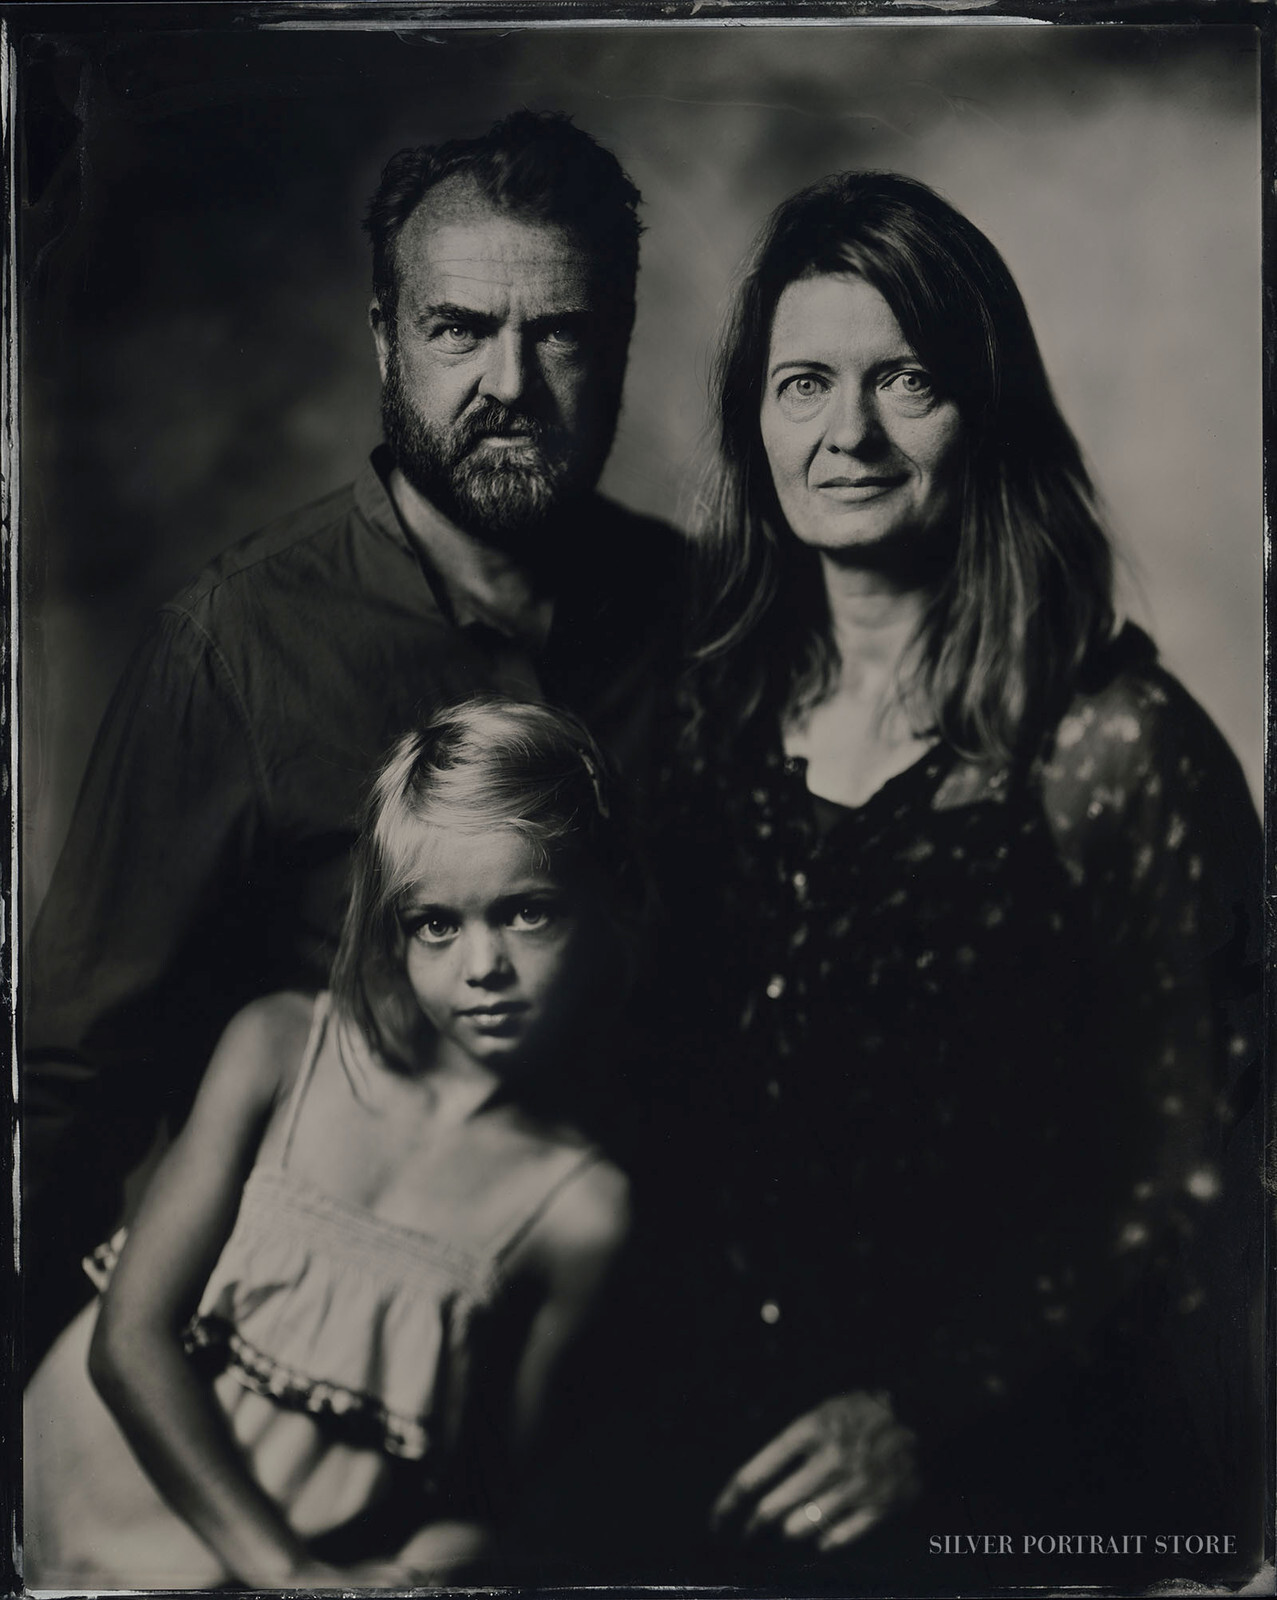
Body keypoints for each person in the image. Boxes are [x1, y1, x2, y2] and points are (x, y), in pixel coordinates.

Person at [640, 171, 1263, 1586]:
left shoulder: (1115, 744)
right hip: (719, 1466)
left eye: (902, 381)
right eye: (802, 384)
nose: (844, 433)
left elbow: (1198, 1178)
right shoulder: (711, 718)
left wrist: (924, 1416)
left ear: (986, 408)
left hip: (1015, 1486)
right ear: (754, 419)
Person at [24, 109, 681, 1366]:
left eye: (559, 334)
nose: (508, 382)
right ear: (384, 340)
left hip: (634, 1367)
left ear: (620, 345)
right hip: (333, 1375)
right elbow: (70, 1086)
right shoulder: (236, 649)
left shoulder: (696, 608)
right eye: (459, 330)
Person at [24, 698, 642, 1590]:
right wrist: (282, 1566)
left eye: (528, 911)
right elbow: (129, 1339)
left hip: (289, 1576)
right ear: (394, 926)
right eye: (437, 922)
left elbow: (489, 1493)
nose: (482, 967)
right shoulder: (281, 1047)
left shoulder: (583, 1209)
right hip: (79, 1489)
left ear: (604, 898)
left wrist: (428, 1558)